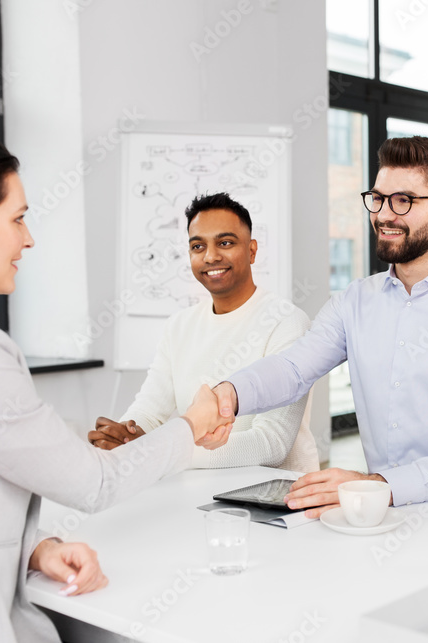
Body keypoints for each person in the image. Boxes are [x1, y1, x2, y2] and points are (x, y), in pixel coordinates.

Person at [0, 125, 228, 642]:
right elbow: (94, 483)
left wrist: (34, 550)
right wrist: (192, 425)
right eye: (18, 219)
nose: (28, 238)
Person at [194, 136, 428, 518]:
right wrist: (228, 396)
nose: (384, 215)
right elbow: (293, 368)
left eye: (404, 200)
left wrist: (383, 485)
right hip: (378, 512)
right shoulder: (353, 302)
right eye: (378, 198)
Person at [89, 192, 319, 472]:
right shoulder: (179, 326)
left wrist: (161, 452)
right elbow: (149, 412)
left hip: (277, 502)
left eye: (225, 242)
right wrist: (123, 438)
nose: (211, 256)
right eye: (198, 246)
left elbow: (271, 444)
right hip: (200, 495)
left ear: (252, 250)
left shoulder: (288, 322)